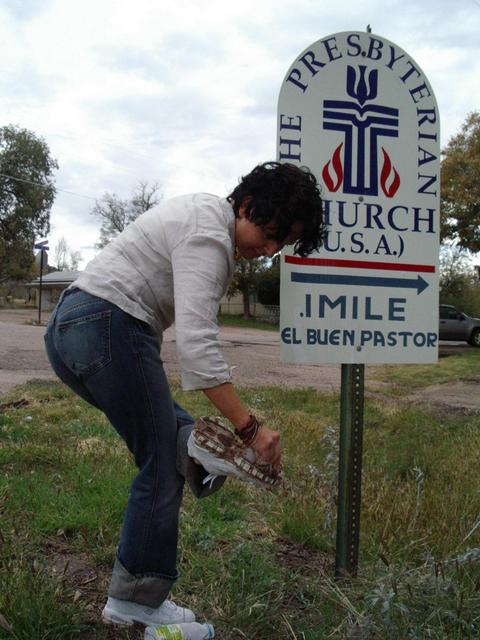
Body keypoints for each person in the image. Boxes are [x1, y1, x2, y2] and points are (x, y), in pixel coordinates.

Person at [44, 161, 325, 627]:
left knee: (171, 440)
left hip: (71, 330)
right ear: (248, 205)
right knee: (161, 461)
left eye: (282, 243)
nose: (270, 248)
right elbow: (196, 345)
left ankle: (201, 452)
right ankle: (134, 603)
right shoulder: (210, 235)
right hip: (107, 324)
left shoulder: (204, 219)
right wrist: (249, 428)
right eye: (270, 232)